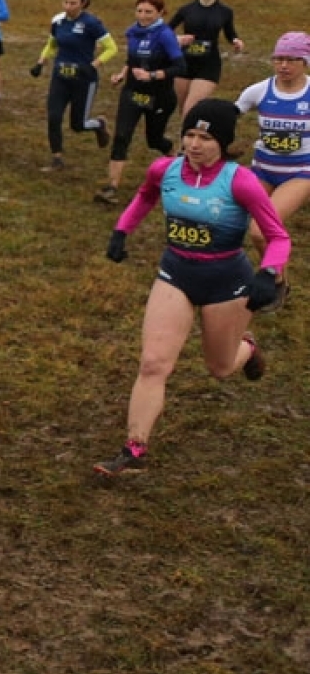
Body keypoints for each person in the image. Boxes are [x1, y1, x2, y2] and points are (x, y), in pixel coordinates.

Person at [95, 99, 288, 477]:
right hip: (176, 274)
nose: (194, 144)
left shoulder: (240, 181)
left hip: (227, 283)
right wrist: (122, 230)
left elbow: (278, 236)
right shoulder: (164, 169)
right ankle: (133, 449)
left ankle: (246, 350)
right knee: (153, 363)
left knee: (219, 367)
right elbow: (146, 195)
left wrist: (268, 273)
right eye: (189, 135)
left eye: (205, 137)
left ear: (224, 143)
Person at [98, 0, 185, 204]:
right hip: (132, 93)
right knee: (121, 136)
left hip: (160, 96)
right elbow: (132, 60)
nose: (143, 16)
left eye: (148, 12)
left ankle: (175, 157)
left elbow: (180, 67)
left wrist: (152, 75)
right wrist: (122, 74)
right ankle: (111, 186)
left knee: (154, 140)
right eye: (139, 11)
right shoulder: (132, 32)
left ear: (160, 13)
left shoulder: (165, 35)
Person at [234, 32, 310, 273]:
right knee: (226, 222)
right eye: (278, 59)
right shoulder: (258, 91)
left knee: (260, 231)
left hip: (300, 173)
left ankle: (276, 282)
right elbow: (226, 119)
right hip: (262, 171)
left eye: (291, 59)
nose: (283, 65)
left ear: (305, 62)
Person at [31, 0, 116, 171]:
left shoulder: (92, 23)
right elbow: (52, 44)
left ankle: (99, 124)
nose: (68, 7)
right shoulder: (58, 21)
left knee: (78, 125)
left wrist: (93, 65)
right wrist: (41, 62)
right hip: (60, 77)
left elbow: (111, 48)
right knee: (54, 117)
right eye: (65, 2)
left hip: (84, 80)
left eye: (73, 3)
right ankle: (57, 157)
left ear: (83, 3)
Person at [171, 0, 245, 115]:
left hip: (208, 65)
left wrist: (236, 41)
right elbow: (165, 31)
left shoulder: (225, 12)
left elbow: (230, 33)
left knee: (191, 110)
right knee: (182, 110)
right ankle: (186, 137)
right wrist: (177, 38)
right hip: (184, 62)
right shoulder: (186, 9)